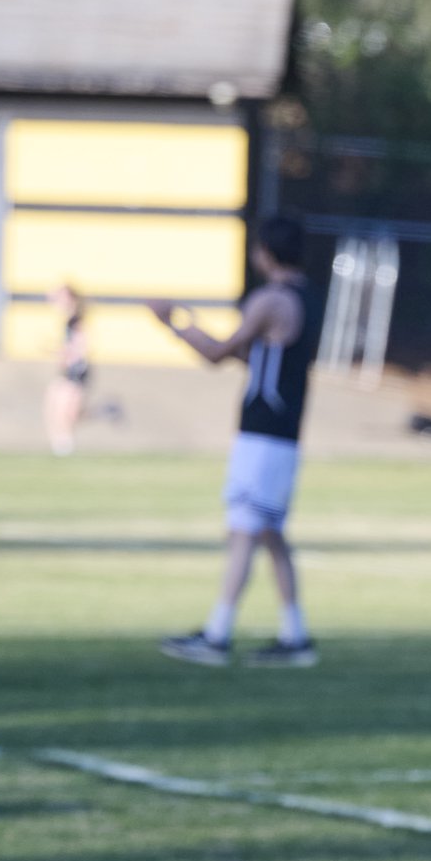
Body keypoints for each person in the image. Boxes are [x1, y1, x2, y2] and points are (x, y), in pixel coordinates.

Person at [151, 213, 322, 667]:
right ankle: (295, 636)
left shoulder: (270, 300)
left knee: (244, 528)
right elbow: (256, 359)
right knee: (269, 532)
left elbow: (217, 354)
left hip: (263, 434)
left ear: (265, 253)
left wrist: (173, 323)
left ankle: (217, 634)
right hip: (283, 434)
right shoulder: (306, 298)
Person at [46, 283, 91, 456]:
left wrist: (62, 351)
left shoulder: (76, 320)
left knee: (69, 411)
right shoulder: (68, 320)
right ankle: (60, 443)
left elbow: (81, 347)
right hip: (69, 369)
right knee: (55, 399)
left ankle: (64, 444)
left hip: (77, 370)